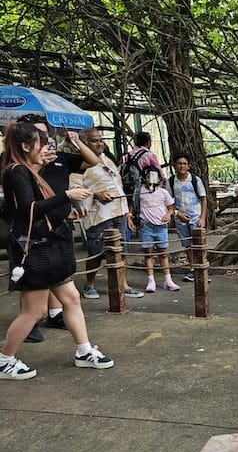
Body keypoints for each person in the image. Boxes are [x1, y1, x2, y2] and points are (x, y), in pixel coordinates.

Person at [0, 120, 114, 380]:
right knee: (35, 311)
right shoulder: (16, 171)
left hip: (51, 243)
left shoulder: (35, 169)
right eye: (41, 144)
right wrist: (67, 195)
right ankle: (5, 359)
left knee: (71, 299)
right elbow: (28, 210)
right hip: (34, 248)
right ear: (26, 146)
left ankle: (84, 351)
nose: (46, 148)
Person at [23, 114, 102, 342]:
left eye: (44, 134)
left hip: (61, 226)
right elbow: (26, 201)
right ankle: (25, 329)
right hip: (34, 231)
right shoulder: (20, 165)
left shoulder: (60, 158)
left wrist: (76, 141)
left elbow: (92, 161)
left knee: (64, 279)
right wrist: (35, 163)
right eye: (35, 134)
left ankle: (63, 322)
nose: (42, 139)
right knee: (32, 283)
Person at [78, 128, 143, 299]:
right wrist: (96, 195)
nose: (99, 143)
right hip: (98, 215)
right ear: (84, 143)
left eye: (100, 140)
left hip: (119, 212)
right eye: (94, 140)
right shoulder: (78, 163)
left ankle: (124, 284)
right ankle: (89, 284)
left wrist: (127, 212)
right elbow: (73, 190)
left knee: (121, 251)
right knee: (97, 252)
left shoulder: (108, 160)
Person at [167, 152, 207, 283]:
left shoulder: (195, 180)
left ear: (188, 166)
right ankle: (192, 269)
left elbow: (203, 198)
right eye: (179, 163)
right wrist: (177, 214)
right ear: (174, 165)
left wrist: (202, 217)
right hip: (181, 219)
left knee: (199, 244)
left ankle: (201, 269)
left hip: (195, 217)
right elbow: (168, 202)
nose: (182, 166)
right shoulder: (171, 182)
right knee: (187, 245)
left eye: (184, 164)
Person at [138, 167, 180, 292]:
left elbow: (171, 207)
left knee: (163, 253)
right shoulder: (139, 192)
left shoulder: (163, 192)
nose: (151, 180)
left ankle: (168, 280)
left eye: (154, 177)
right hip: (146, 226)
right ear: (144, 178)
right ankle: (151, 280)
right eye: (148, 176)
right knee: (148, 253)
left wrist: (168, 214)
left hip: (161, 226)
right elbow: (133, 206)